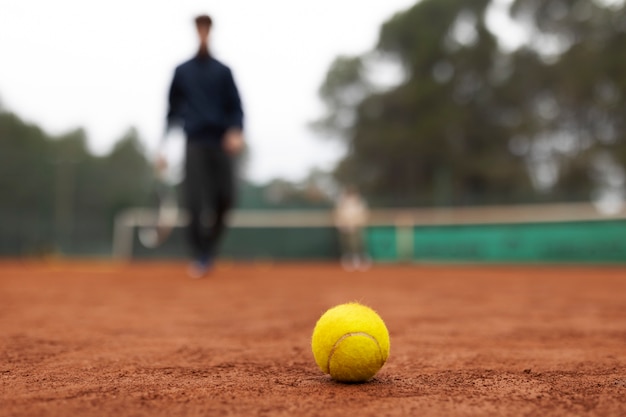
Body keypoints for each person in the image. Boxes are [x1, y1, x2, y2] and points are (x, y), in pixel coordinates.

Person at [158, 14, 245, 278]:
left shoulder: (223, 71)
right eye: (199, 28)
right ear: (195, 31)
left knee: (226, 198)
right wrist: (162, 147)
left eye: (206, 29)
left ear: (211, 31)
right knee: (194, 202)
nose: (203, 33)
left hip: (219, 143)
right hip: (194, 143)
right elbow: (171, 112)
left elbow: (237, 108)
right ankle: (201, 255)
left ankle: (209, 248)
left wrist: (235, 131)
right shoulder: (182, 71)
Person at [334, 186, 371, 271]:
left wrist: (358, 223)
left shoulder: (360, 202)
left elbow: (364, 214)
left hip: (357, 226)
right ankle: (349, 261)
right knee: (348, 245)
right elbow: (338, 214)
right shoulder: (342, 202)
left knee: (359, 244)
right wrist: (342, 224)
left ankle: (361, 261)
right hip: (346, 227)